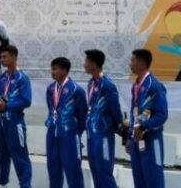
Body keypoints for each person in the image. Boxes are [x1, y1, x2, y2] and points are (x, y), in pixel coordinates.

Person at [126, 49, 168, 188]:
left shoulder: (155, 86)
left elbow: (162, 115)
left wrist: (144, 126)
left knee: (154, 180)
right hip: (137, 140)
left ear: (142, 63)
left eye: (133, 60)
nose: (130, 63)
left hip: (151, 141)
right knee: (139, 180)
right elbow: (134, 114)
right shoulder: (136, 85)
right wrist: (129, 137)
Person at [0, 45, 32, 188]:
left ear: (14, 57)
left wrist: (7, 106)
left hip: (15, 122)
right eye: (1, 57)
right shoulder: (2, 78)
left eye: (5, 57)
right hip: (1, 121)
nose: (1, 60)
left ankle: (25, 186)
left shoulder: (22, 78)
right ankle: (2, 184)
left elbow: (26, 100)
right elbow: (0, 97)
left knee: (20, 156)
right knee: (1, 155)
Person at [83, 49, 123, 188]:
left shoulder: (107, 85)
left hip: (103, 136)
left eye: (87, 62)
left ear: (94, 64)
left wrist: (121, 129)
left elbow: (115, 110)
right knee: (96, 173)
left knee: (104, 173)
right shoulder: (91, 83)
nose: (84, 64)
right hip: (91, 135)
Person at [45, 57, 87, 188]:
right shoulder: (50, 89)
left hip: (69, 136)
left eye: (55, 69)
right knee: (53, 170)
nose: (52, 71)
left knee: (73, 171)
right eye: (52, 68)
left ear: (64, 70)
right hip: (52, 134)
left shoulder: (76, 90)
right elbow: (51, 109)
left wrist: (74, 133)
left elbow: (83, 117)